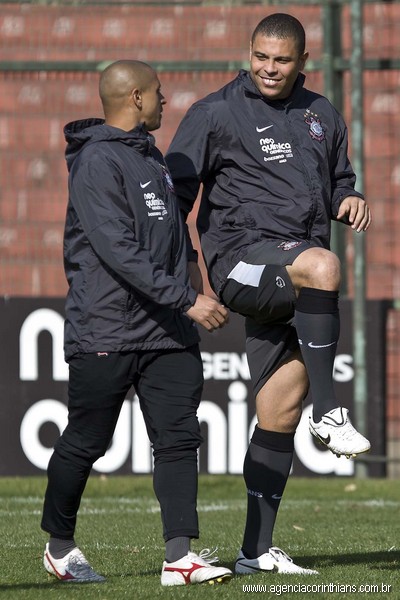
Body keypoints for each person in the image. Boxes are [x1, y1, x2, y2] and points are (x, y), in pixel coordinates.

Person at [165, 13, 371, 575]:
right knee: (324, 266)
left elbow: (338, 181)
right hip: (241, 262)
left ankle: (254, 551)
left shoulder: (321, 113)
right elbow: (173, 200)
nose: (270, 68)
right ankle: (330, 413)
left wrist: (348, 198)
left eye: (281, 60)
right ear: (249, 53)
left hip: (292, 276)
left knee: (279, 408)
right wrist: (188, 272)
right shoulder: (214, 113)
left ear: (303, 61)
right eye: (261, 57)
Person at [40, 59, 232, 587]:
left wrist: (194, 274)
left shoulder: (152, 156)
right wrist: (188, 300)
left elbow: (171, 229)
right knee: (87, 440)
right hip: (107, 328)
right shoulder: (97, 162)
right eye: (158, 92)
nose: (166, 100)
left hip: (167, 332)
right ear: (137, 99)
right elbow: (118, 251)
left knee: (178, 438)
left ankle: (179, 558)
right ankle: (59, 546)